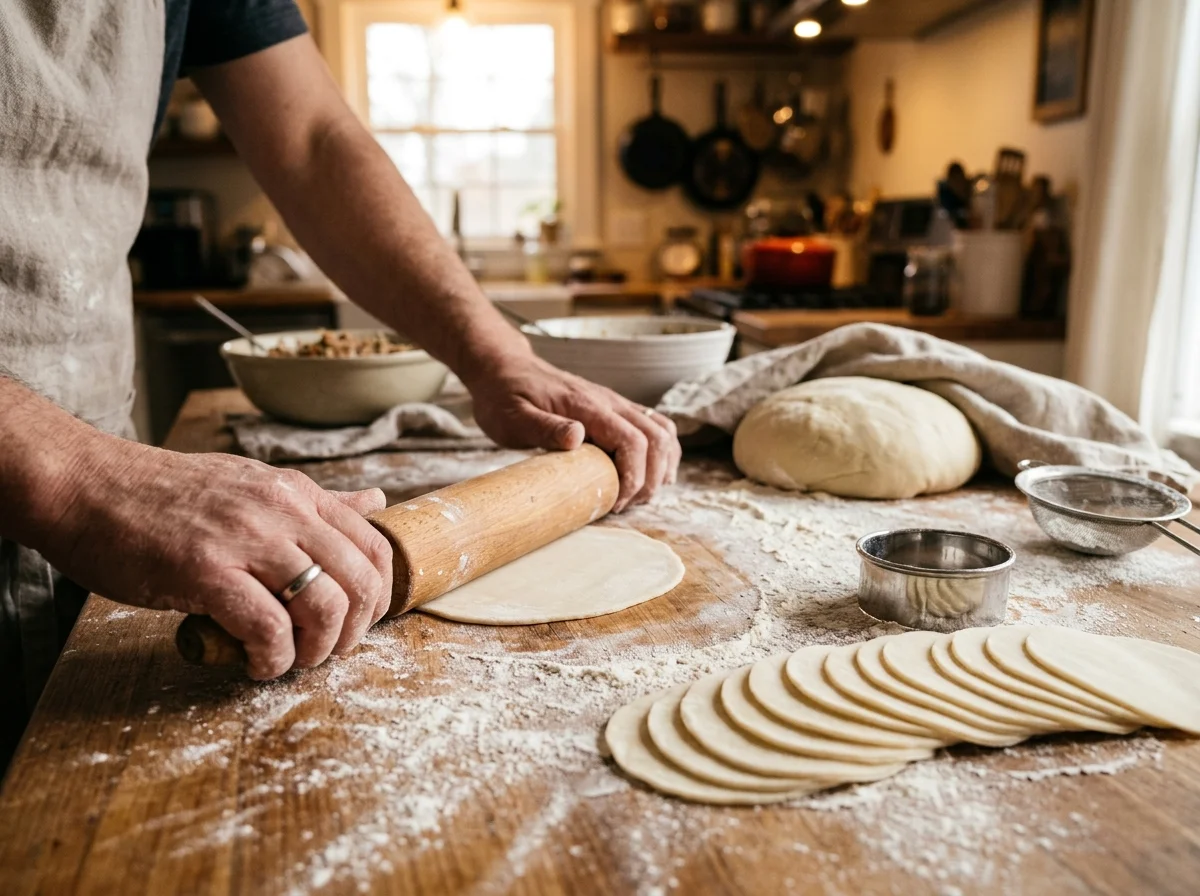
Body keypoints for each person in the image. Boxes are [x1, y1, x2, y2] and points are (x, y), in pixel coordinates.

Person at [0, 1, 680, 768]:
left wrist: (498, 356)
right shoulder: (86, 485)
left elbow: (314, 142)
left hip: (96, 480)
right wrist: (77, 477)